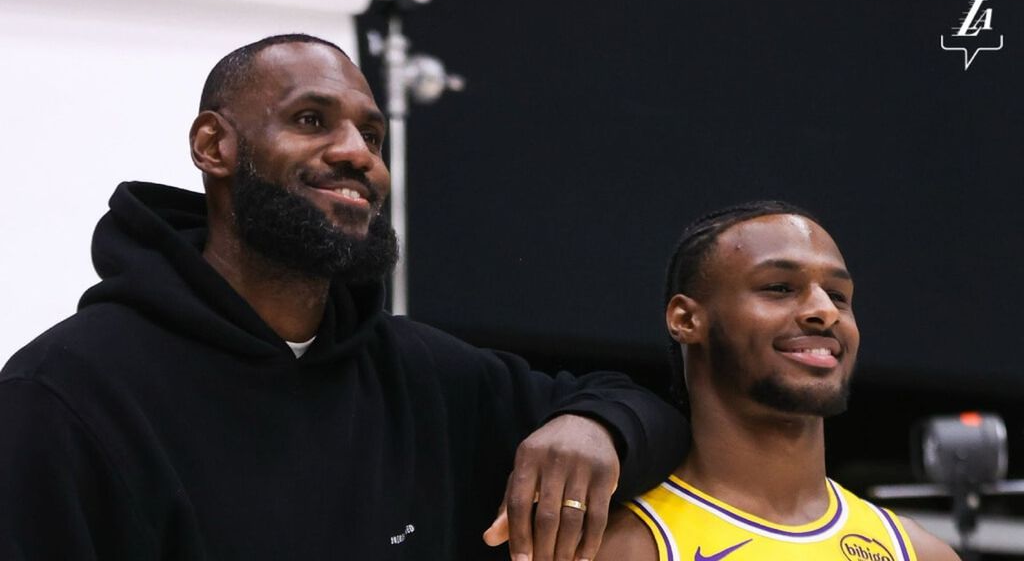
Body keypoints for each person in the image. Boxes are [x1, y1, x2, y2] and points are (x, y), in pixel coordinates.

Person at [0, 34, 689, 561]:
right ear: (214, 146)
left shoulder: (423, 373)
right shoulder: (62, 396)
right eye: (310, 120)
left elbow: (654, 409)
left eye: (371, 133)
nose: (358, 154)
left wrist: (596, 427)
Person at [596, 201, 960, 561]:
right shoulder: (616, 545)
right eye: (780, 288)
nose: (825, 311)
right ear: (687, 320)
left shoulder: (916, 553)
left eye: (837, 295)